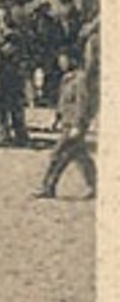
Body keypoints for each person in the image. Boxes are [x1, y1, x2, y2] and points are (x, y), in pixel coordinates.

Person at [36, 50, 96, 199]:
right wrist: (56, 119)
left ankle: (48, 187)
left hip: (73, 126)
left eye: (63, 59)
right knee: (81, 158)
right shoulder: (66, 79)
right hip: (66, 123)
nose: (61, 63)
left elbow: (82, 104)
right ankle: (96, 185)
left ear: (73, 60)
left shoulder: (80, 79)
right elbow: (62, 102)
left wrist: (78, 125)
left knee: (57, 154)